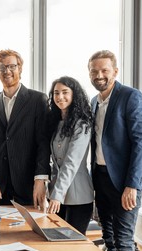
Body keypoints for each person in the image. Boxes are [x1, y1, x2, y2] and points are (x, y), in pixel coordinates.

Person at [88, 50, 142, 251]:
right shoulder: (94, 102)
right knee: (108, 236)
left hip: (125, 182)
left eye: (104, 70)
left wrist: (132, 185)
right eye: (94, 71)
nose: (99, 75)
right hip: (101, 178)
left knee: (123, 239)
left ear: (115, 71)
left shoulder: (130, 96)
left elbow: (140, 143)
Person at [0, 49, 50, 208]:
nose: (7, 71)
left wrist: (40, 179)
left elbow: (43, 142)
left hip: (29, 185)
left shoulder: (38, 100)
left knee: (29, 232)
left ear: (20, 68)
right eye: (2, 67)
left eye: (12, 66)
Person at [46, 76, 94, 235]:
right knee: (55, 244)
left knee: (74, 245)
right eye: (56, 93)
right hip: (55, 196)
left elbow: (71, 163)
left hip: (78, 196)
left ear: (75, 95)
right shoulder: (55, 123)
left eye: (65, 92)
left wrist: (57, 195)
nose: (60, 97)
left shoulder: (82, 124)